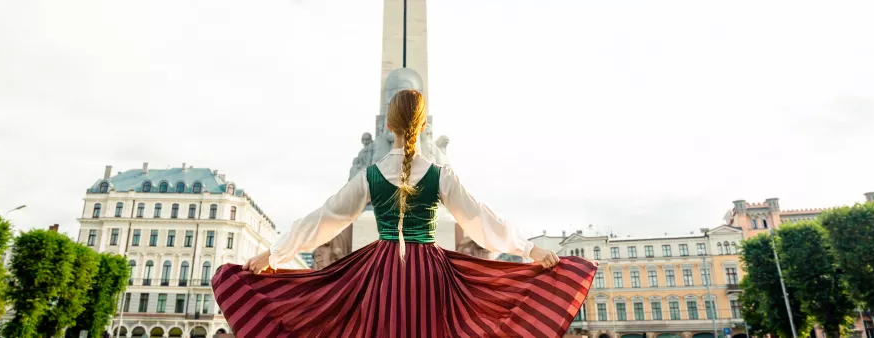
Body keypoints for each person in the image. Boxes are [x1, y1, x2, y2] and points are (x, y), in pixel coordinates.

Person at [212, 89, 597, 337]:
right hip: (430, 273)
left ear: (389, 126)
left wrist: (274, 255)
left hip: (379, 273)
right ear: (423, 125)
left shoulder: (370, 175)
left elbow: (323, 220)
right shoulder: (440, 174)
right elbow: (481, 221)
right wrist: (530, 250)